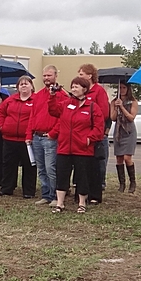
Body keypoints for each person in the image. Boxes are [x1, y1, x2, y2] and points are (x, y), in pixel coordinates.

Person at [48, 76, 105, 213]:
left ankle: (81, 203)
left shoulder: (92, 106)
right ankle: (60, 203)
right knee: (62, 175)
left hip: (83, 149)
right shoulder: (66, 104)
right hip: (64, 148)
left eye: (76, 87)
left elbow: (99, 127)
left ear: (84, 89)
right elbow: (53, 110)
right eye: (72, 87)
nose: (73, 89)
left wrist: (88, 139)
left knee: (82, 177)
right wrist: (52, 96)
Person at [0, 75, 38, 199]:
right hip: (9, 138)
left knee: (29, 165)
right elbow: (0, 112)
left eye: (26, 83)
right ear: (17, 87)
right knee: (8, 164)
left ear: (31, 86)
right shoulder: (10, 100)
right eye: (21, 84)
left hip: (27, 140)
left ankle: (28, 190)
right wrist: (1, 126)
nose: (24, 86)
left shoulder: (36, 100)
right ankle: (7, 188)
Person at [27, 65, 61, 205]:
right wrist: (29, 135)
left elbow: (62, 118)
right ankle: (46, 194)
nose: (46, 78)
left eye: (49, 75)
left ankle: (55, 196)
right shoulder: (38, 95)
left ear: (55, 76)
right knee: (41, 168)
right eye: (45, 75)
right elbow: (32, 116)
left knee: (50, 168)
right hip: (37, 136)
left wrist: (53, 133)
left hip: (50, 137)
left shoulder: (61, 95)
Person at [78, 64, 110, 204]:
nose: (79, 76)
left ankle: (96, 192)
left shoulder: (98, 91)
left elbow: (104, 113)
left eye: (81, 74)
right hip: (82, 133)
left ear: (90, 75)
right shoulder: (82, 91)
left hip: (95, 133)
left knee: (97, 164)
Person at [111, 82, 139, 193]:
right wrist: (116, 107)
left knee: (127, 158)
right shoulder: (114, 101)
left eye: (124, 88)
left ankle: (132, 182)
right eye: (120, 88)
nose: (122, 90)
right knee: (119, 158)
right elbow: (113, 118)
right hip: (119, 131)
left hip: (129, 131)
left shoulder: (133, 101)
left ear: (128, 89)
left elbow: (131, 117)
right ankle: (122, 183)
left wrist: (122, 107)